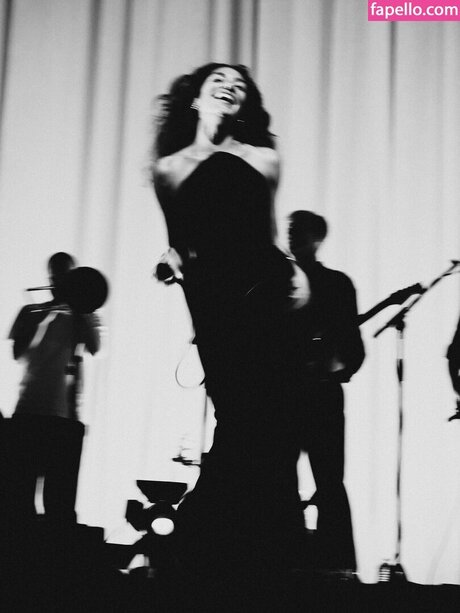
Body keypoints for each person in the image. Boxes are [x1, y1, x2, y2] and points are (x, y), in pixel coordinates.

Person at [152, 63, 310, 580]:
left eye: (238, 86)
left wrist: (294, 274)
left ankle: (243, 557)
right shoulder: (169, 168)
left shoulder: (263, 158)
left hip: (266, 297)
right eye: (218, 81)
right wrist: (171, 261)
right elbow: (180, 241)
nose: (229, 87)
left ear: (244, 106)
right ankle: (216, 551)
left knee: (271, 421)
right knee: (240, 417)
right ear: (196, 99)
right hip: (214, 300)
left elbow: (267, 234)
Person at [287, 210, 365, 572]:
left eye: (298, 231)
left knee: (329, 481)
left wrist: (333, 367)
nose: (292, 236)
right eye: (290, 230)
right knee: (283, 479)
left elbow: (354, 350)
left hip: (317, 395)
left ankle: (336, 569)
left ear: (317, 238)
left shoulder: (336, 284)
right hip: (287, 395)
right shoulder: (277, 281)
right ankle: (287, 561)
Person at [7, 252, 100, 525]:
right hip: (29, 411)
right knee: (18, 501)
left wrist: (80, 310)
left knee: (60, 507)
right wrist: (45, 319)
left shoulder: (85, 315)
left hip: (66, 417)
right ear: (50, 277)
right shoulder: (31, 312)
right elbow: (18, 352)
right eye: (56, 276)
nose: (60, 281)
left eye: (67, 276)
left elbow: (96, 347)